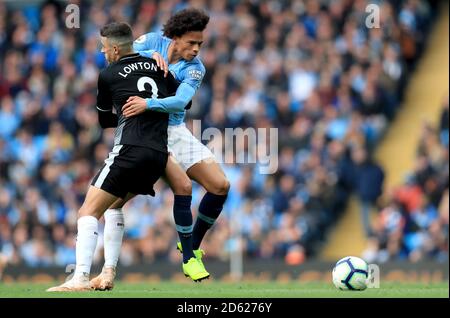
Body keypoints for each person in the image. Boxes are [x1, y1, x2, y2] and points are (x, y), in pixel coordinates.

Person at [47, 22, 208, 292]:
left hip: (130, 149)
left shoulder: (108, 73)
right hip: (159, 154)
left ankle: (80, 277)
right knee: (115, 206)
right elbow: (185, 102)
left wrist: (128, 113)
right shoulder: (158, 66)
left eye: (103, 47)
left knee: (87, 211)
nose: (101, 52)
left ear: (113, 49)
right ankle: (108, 273)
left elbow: (102, 120)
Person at [90, 8, 230, 290]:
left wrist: (148, 103)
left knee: (220, 185)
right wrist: (146, 58)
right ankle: (103, 270)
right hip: (146, 132)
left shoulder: (195, 69)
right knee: (114, 204)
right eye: (191, 43)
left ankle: (190, 249)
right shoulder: (151, 41)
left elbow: (180, 101)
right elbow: (123, 59)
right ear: (174, 38)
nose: (196, 49)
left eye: (200, 44)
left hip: (174, 129)